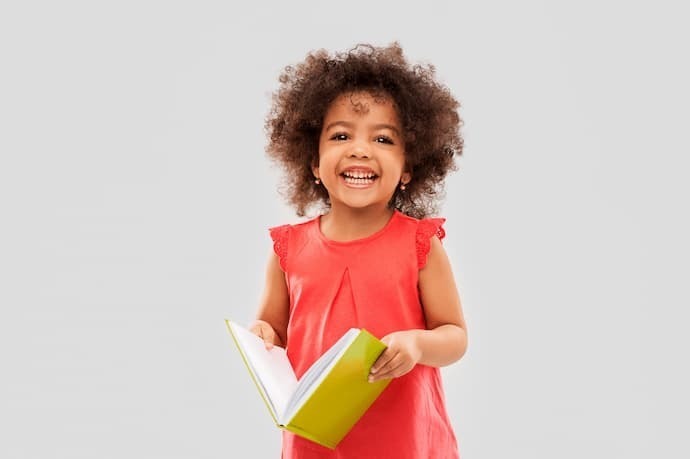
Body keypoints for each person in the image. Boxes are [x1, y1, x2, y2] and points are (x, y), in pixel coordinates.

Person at [249, 42, 468, 458]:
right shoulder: (288, 249)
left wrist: (419, 344)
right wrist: (262, 337)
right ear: (313, 162)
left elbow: (455, 336)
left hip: (403, 437)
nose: (360, 149)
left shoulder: (419, 244)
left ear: (408, 167)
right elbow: (270, 329)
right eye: (341, 135)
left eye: (383, 138)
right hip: (315, 438)